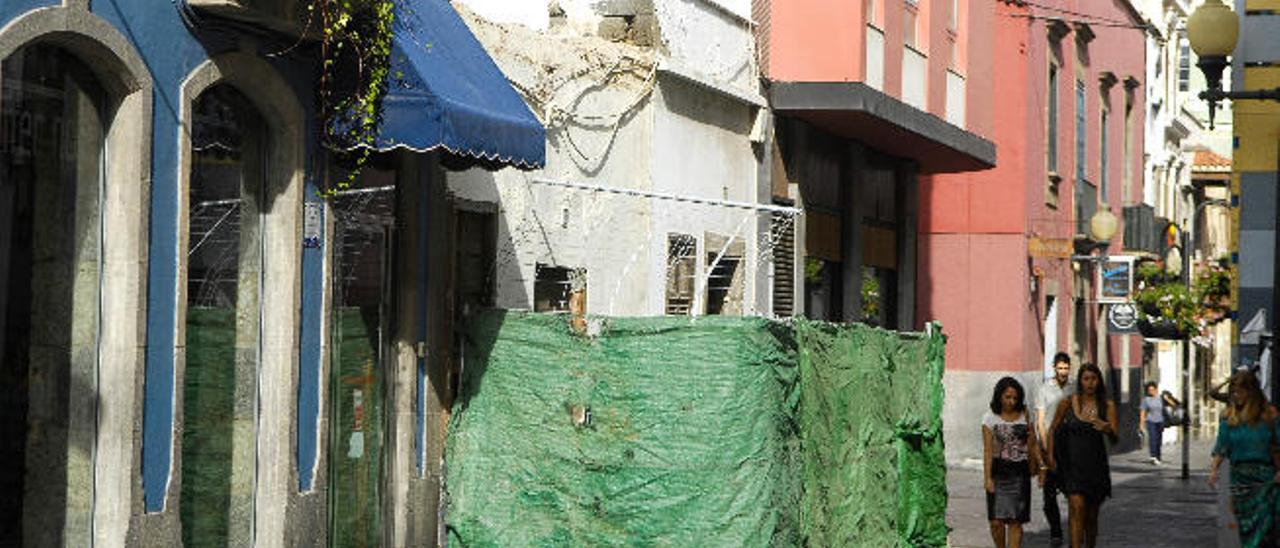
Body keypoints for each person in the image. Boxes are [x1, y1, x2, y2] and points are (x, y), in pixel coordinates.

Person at [1207, 370, 1280, 548]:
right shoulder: (1229, 418)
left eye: (1240, 391)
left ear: (1252, 392)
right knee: (1246, 530)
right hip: (1240, 482)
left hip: (1266, 480)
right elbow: (1221, 447)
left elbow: (1278, 444)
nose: (1236, 396)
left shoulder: (1269, 415)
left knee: (1265, 530)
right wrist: (1214, 470)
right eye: (1233, 392)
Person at [1047, 363, 1117, 548]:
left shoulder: (1107, 405)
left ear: (1099, 381)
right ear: (1080, 381)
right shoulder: (1068, 403)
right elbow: (1053, 428)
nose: (1090, 383)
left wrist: (1108, 428)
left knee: (1091, 516)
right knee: (1076, 509)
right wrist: (1051, 456)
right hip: (1072, 466)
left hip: (1095, 467)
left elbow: (1115, 438)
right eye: (1086, 379)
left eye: (1094, 379)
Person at [983, 377, 1045, 548]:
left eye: (1015, 398)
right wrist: (987, 478)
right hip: (998, 471)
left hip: (1019, 473)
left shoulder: (1025, 416)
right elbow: (988, 450)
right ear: (999, 396)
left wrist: (1041, 467)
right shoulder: (989, 418)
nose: (1011, 401)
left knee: (1015, 521)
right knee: (996, 522)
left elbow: (1033, 444)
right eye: (1007, 397)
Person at [1036, 352, 1073, 544]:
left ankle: (1076, 530)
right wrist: (1044, 445)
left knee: (1072, 493)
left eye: (1066, 368)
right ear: (1054, 368)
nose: (1063, 372)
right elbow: (1040, 421)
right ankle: (1056, 532)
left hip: (1070, 446)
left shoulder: (1073, 388)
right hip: (1050, 445)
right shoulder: (1045, 389)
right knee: (1049, 497)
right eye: (1060, 368)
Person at [1138, 382, 1164, 465]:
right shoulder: (1146, 400)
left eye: (1152, 389)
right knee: (1153, 438)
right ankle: (1153, 456)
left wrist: (1169, 400)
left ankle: (1158, 456)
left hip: (1160, 421)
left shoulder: (1161, 398)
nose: (1151, 391)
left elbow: (1172, 405)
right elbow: (1142, 412)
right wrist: (1141, 424)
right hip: (1150, 421)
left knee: (1158, 440)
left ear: (1156, 390)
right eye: (1149, 390)